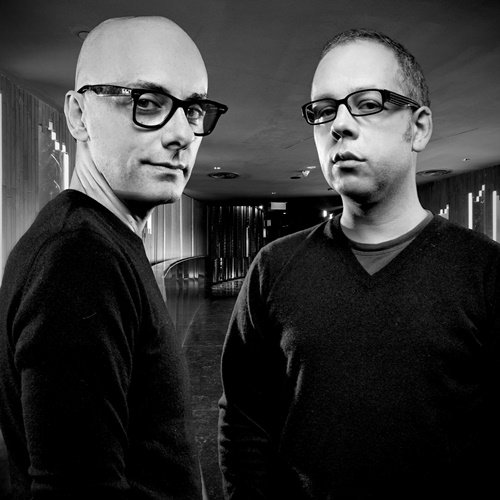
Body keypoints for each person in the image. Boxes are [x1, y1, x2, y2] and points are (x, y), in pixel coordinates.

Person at [218, 28, 500, 499]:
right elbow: (245, 420)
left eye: (367, 103)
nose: (339, 125)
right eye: (323, 110)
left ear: (419, 127)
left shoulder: (485, 271)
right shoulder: (274, 267)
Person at [0, 16, 227, 499]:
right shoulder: (78, 261)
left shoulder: (98, 243)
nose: (182, 135)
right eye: (147, 102)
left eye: (192, 110)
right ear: (79, 115)